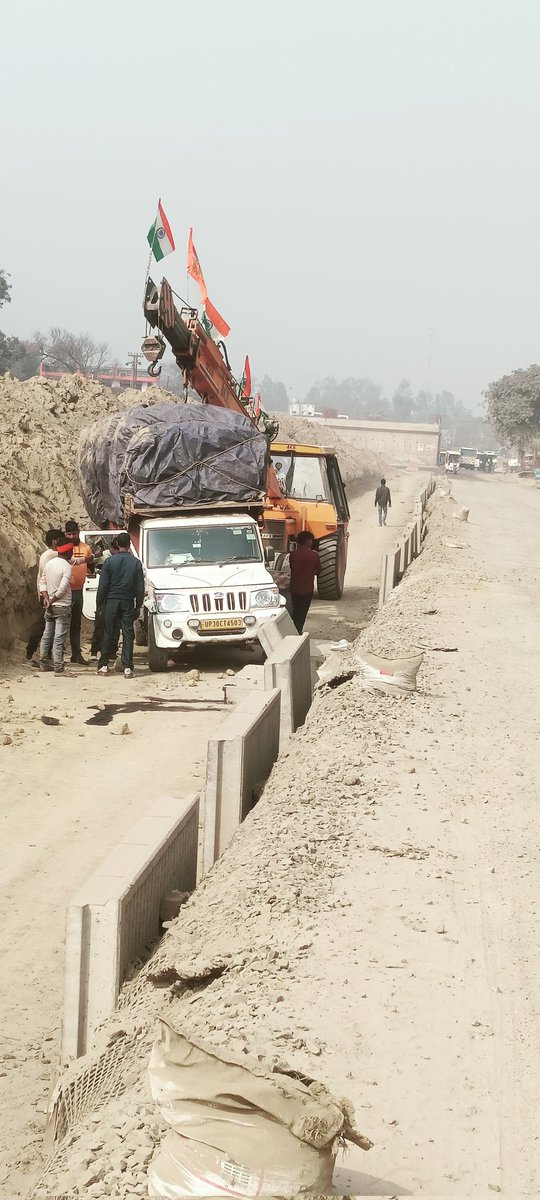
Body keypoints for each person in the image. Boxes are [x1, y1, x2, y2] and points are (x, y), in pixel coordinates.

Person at [96, 532, 144, 678]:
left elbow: (103, 586)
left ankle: (103, 665)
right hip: (128, 601)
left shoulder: (109, 562)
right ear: (129, 544)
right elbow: (139, 587)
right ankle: (128, 667)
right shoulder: (136, 563)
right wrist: (138, 605)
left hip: (111, 600)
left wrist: (100, 604)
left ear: (117, 544)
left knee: (109, 632)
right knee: (128, 634)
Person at [25, 528, 63, 666]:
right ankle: (30, 655)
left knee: (47, 627)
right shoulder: (52, 555)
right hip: (47, 596)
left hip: (45, 594)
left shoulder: (47, 554)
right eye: (61, 541)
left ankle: (44, 656)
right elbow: (70, 560)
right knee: (42, 627)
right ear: (54, 541)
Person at [39, 542, 74, 674]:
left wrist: (46, 598)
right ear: (68, 552)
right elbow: (63, 588)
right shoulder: (66, 567)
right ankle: (59, 667)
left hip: (50, 606)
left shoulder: (49, 564)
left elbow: (42, 582)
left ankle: (43, 664)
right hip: (62, 606)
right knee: (59, 638)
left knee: (47, 636)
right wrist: (53, 598)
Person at [64, 519, 95, 665]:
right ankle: (56, 655)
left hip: (78, 591)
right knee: (61, 623)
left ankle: (76, 655)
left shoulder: (86, 548)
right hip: (64, 592)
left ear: (78, 533)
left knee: (76, 624)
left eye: (73, 534)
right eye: (68, 534)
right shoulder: (62, 548)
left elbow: (91, 568)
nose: (71, 537)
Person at [90, 539, 121, 661]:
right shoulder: (105, 557)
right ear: (112, 549)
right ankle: (94, 650)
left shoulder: (120, 560)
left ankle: (112, 652)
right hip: (106, 597)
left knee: (114, 626)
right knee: (100, 625)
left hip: (112, 597)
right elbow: (92, 566)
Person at [288, 531, 321, 634]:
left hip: (294, 589)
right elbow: (319, 571)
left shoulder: (292, 555)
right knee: (302, 613)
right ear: (308, 541)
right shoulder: (314, 555)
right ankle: (298, 631)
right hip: (307, 589)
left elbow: (291, 569)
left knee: (295, 610)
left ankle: (294, 630)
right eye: (311, 540)